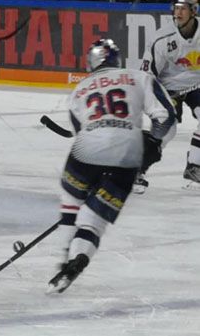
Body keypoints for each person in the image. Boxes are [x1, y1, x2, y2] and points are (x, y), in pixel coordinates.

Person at [49, 38, 176, 292]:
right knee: (95, 220)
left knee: (73, 202)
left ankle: (65, 253)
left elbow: (82, 133)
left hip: (86, 155)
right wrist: (152, 147)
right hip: (127, 156)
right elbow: (167, 120)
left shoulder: (79, 90)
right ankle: (79, 259)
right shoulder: (139, 77)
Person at [141, 0, 200, 190]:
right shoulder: (162, 39)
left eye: (184, 8)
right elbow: (148, 75)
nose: (179, 13)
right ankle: (136, 170)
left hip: (197, 85)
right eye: (176, 8)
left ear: (194, 11)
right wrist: (157, 98)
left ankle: (195, 166)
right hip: (167, 87)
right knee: (167, 129)